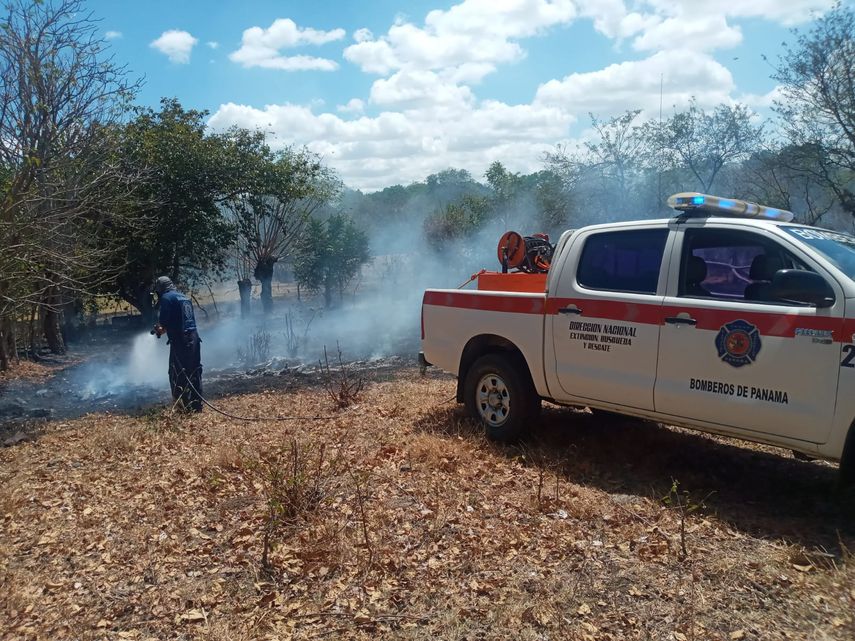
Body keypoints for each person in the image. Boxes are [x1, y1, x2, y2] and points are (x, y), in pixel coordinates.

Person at [152, 276, 203, 412]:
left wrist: (158, 330)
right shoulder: (184, 297)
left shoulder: (166, 299)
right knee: (195, 371)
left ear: (161, 288)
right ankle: (197, 406)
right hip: (194, 339)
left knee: (176, 373)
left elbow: (163, 327)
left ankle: (182, 407)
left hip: (180, 341)